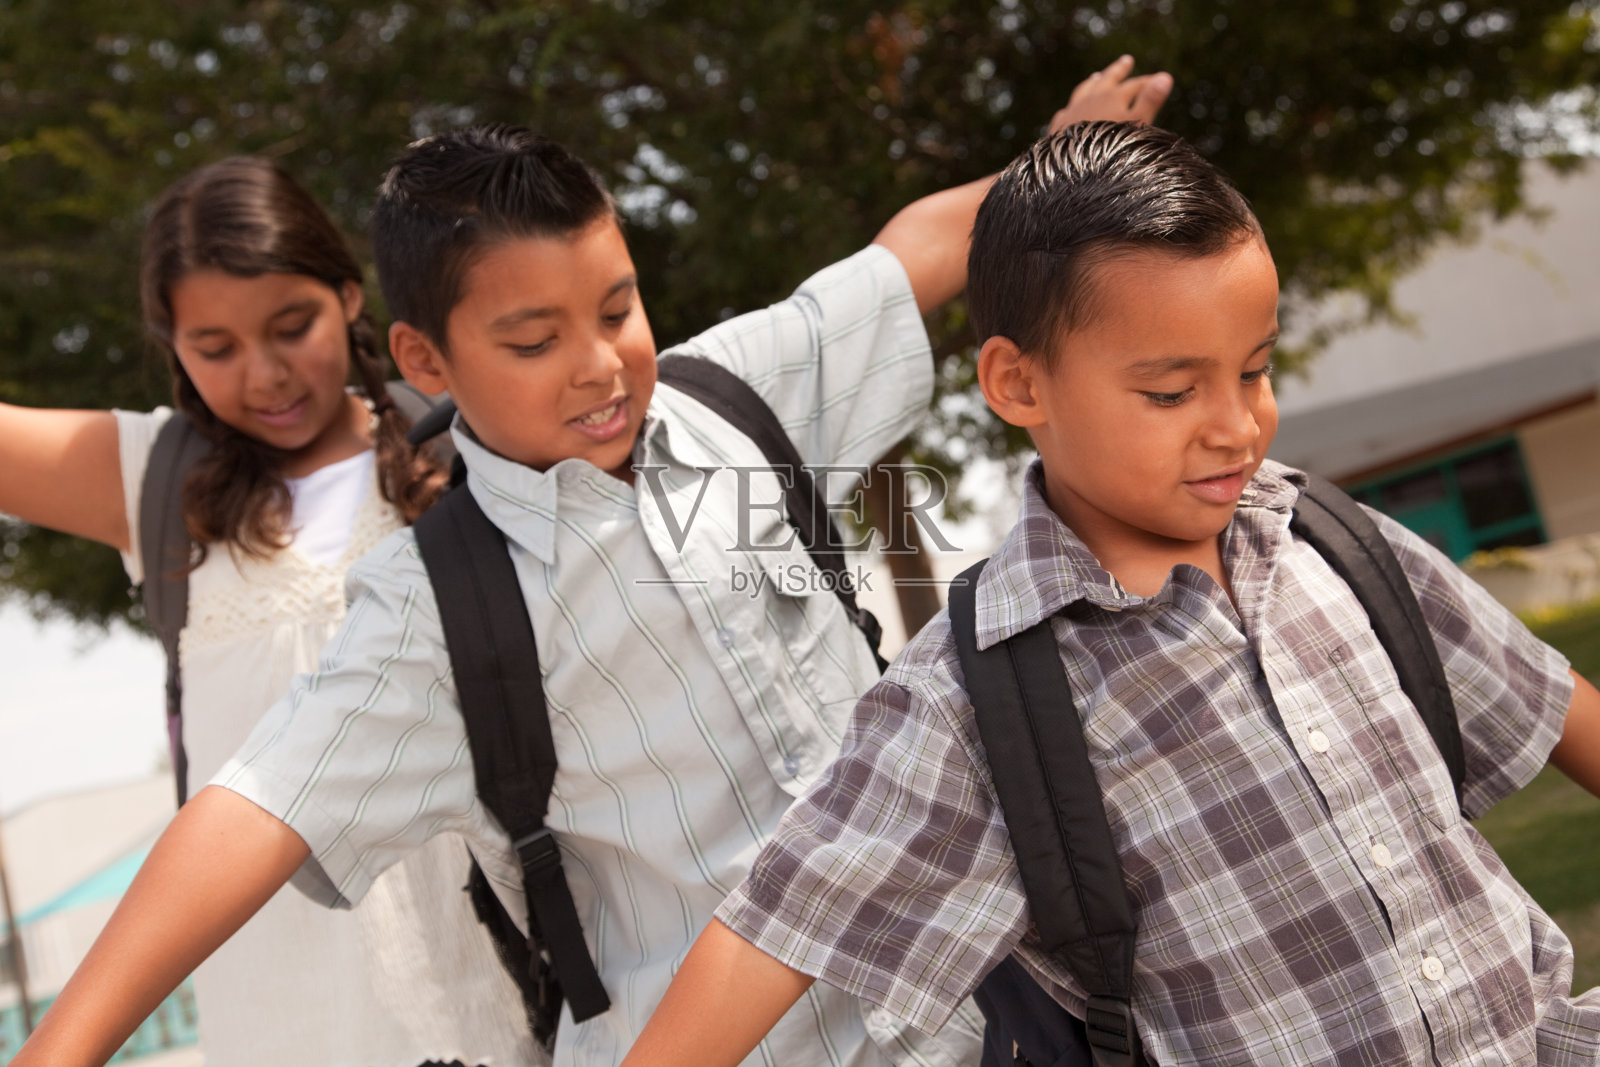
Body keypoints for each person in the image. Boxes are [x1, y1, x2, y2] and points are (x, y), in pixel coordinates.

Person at [8, 61, 1175, 1067]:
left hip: (969, 1022)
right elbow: (248, 811)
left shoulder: (731, 397)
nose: (598, 366)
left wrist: (1051, 163)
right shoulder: (434, 604)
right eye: (531, 340)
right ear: (425, 354)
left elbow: (899, 259)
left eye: (616, 309)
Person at [620, 121, 1600, 1067]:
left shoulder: (1332, 541)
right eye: (1171, 392)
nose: (1234, 425)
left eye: (1254, 370)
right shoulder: (976, 694)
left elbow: (1557, 706)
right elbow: (776, 928)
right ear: (1015, 382)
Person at [0, 157, 541, 1066]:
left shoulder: (473, 453)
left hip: (491, 994)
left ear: (348, 296)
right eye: (215, 348)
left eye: (294, 326)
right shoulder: (151, 482)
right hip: (276, 1019)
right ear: (174, 347)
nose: (265, 373)